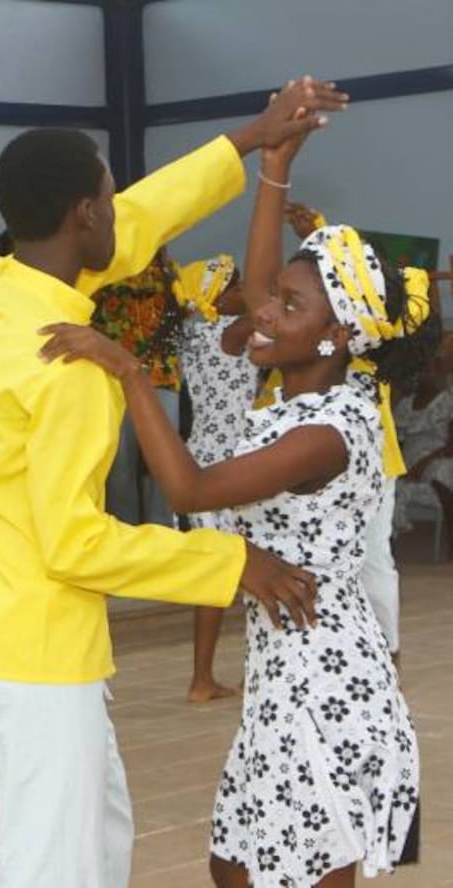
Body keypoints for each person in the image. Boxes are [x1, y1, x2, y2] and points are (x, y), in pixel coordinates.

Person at [0, 76, 345, 888]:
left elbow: (143, 217)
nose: (123, 211)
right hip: (32, 641)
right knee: (52, 861)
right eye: (109, 197)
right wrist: (233, 563)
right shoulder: (65, 365)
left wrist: (253, 138)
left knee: (97, 830)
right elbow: (75, 545)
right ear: (84, 216)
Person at [41, 110, 435, 887]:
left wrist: (129, 373)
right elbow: (258, 289)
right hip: (282, 668)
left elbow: (189, 488)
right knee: (233, 865)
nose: (264, 309)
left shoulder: (326, 430)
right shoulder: (308, 381)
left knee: (297, 870)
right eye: (276, 296)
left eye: (290, 306)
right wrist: (273, 168)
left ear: (336, 337)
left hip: (323, 676)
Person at [282, 202, 415, 659]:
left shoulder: (373, 334)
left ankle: (388, 651)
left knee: (373, 556)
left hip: (375, 461)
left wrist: (319, 230)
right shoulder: (317, 341)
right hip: (318, 460)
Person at [171, 258, 259, 702]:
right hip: (231, 466)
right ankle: (240, 676)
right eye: (235, 285)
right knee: (249, 571)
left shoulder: (194, 333)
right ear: (217, 298)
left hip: (202, 460)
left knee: (217, 576)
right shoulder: (231, 332)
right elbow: (265, 306)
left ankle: (202, 678)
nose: (245, 291)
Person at [91, 247, 184, 526]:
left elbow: (180, 313)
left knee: (163, 464)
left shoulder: (168, 270)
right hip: (114, 378)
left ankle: (163, 533)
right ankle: (125, 534)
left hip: (162, 375)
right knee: (120, 468)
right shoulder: (102, 265)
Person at [391, 334, 453, 536]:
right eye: (417, 371)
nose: (421, 375)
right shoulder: (406, 404)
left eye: (426, 369)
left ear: (439, 369)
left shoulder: (447, 401)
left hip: (435, 461)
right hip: (407, 464)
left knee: (441, 470)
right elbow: (397, 443)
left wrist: (424, 464)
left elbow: (450, 446)